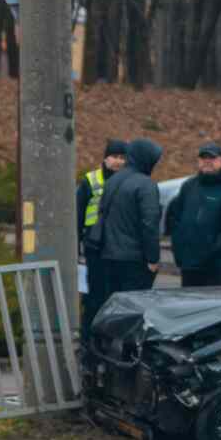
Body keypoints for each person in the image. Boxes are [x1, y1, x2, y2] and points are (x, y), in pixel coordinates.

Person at [90, 138, 164, 336]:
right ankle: (127, 350)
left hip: (108, 255)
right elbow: (149, 225)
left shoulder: (113, 180)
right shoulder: (146, 185)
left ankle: (106, 348)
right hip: (134, 259)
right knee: (134, 312)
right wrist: (153, 259)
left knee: (113, 309)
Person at [165, 141, 221, 288]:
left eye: (212, 158)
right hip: (189, 266)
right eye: (203, 158)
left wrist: (212, 251)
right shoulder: (189, 186)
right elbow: (175, 218)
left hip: (216, 268)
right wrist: (178, 249)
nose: (207, 161)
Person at [77, 140, 127, 336]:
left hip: (119, 247)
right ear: (105, 158)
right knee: (95, 296)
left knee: (114, 296)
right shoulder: (91, 180)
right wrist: (76, 247)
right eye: (114, 157)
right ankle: (89, 339)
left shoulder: (129, 180)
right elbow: (78, 213)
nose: (118, 161)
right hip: (95, 246)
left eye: (122, 157)